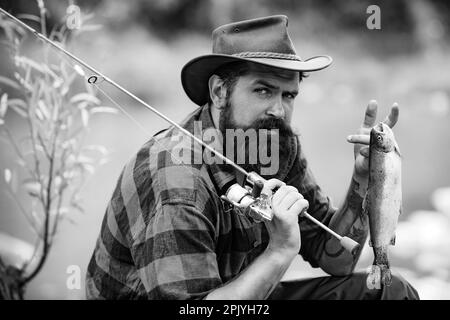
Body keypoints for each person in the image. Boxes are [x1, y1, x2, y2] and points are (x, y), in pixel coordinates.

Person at [86, 15, 419, 300]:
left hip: (237, 294)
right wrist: (279, 251)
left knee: (391, 292)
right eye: (263, 90)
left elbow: (338, 260)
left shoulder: (276, 142)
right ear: (219, 92)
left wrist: (365, 178)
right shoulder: (176, 183)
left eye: (288, 95)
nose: (278, 109)